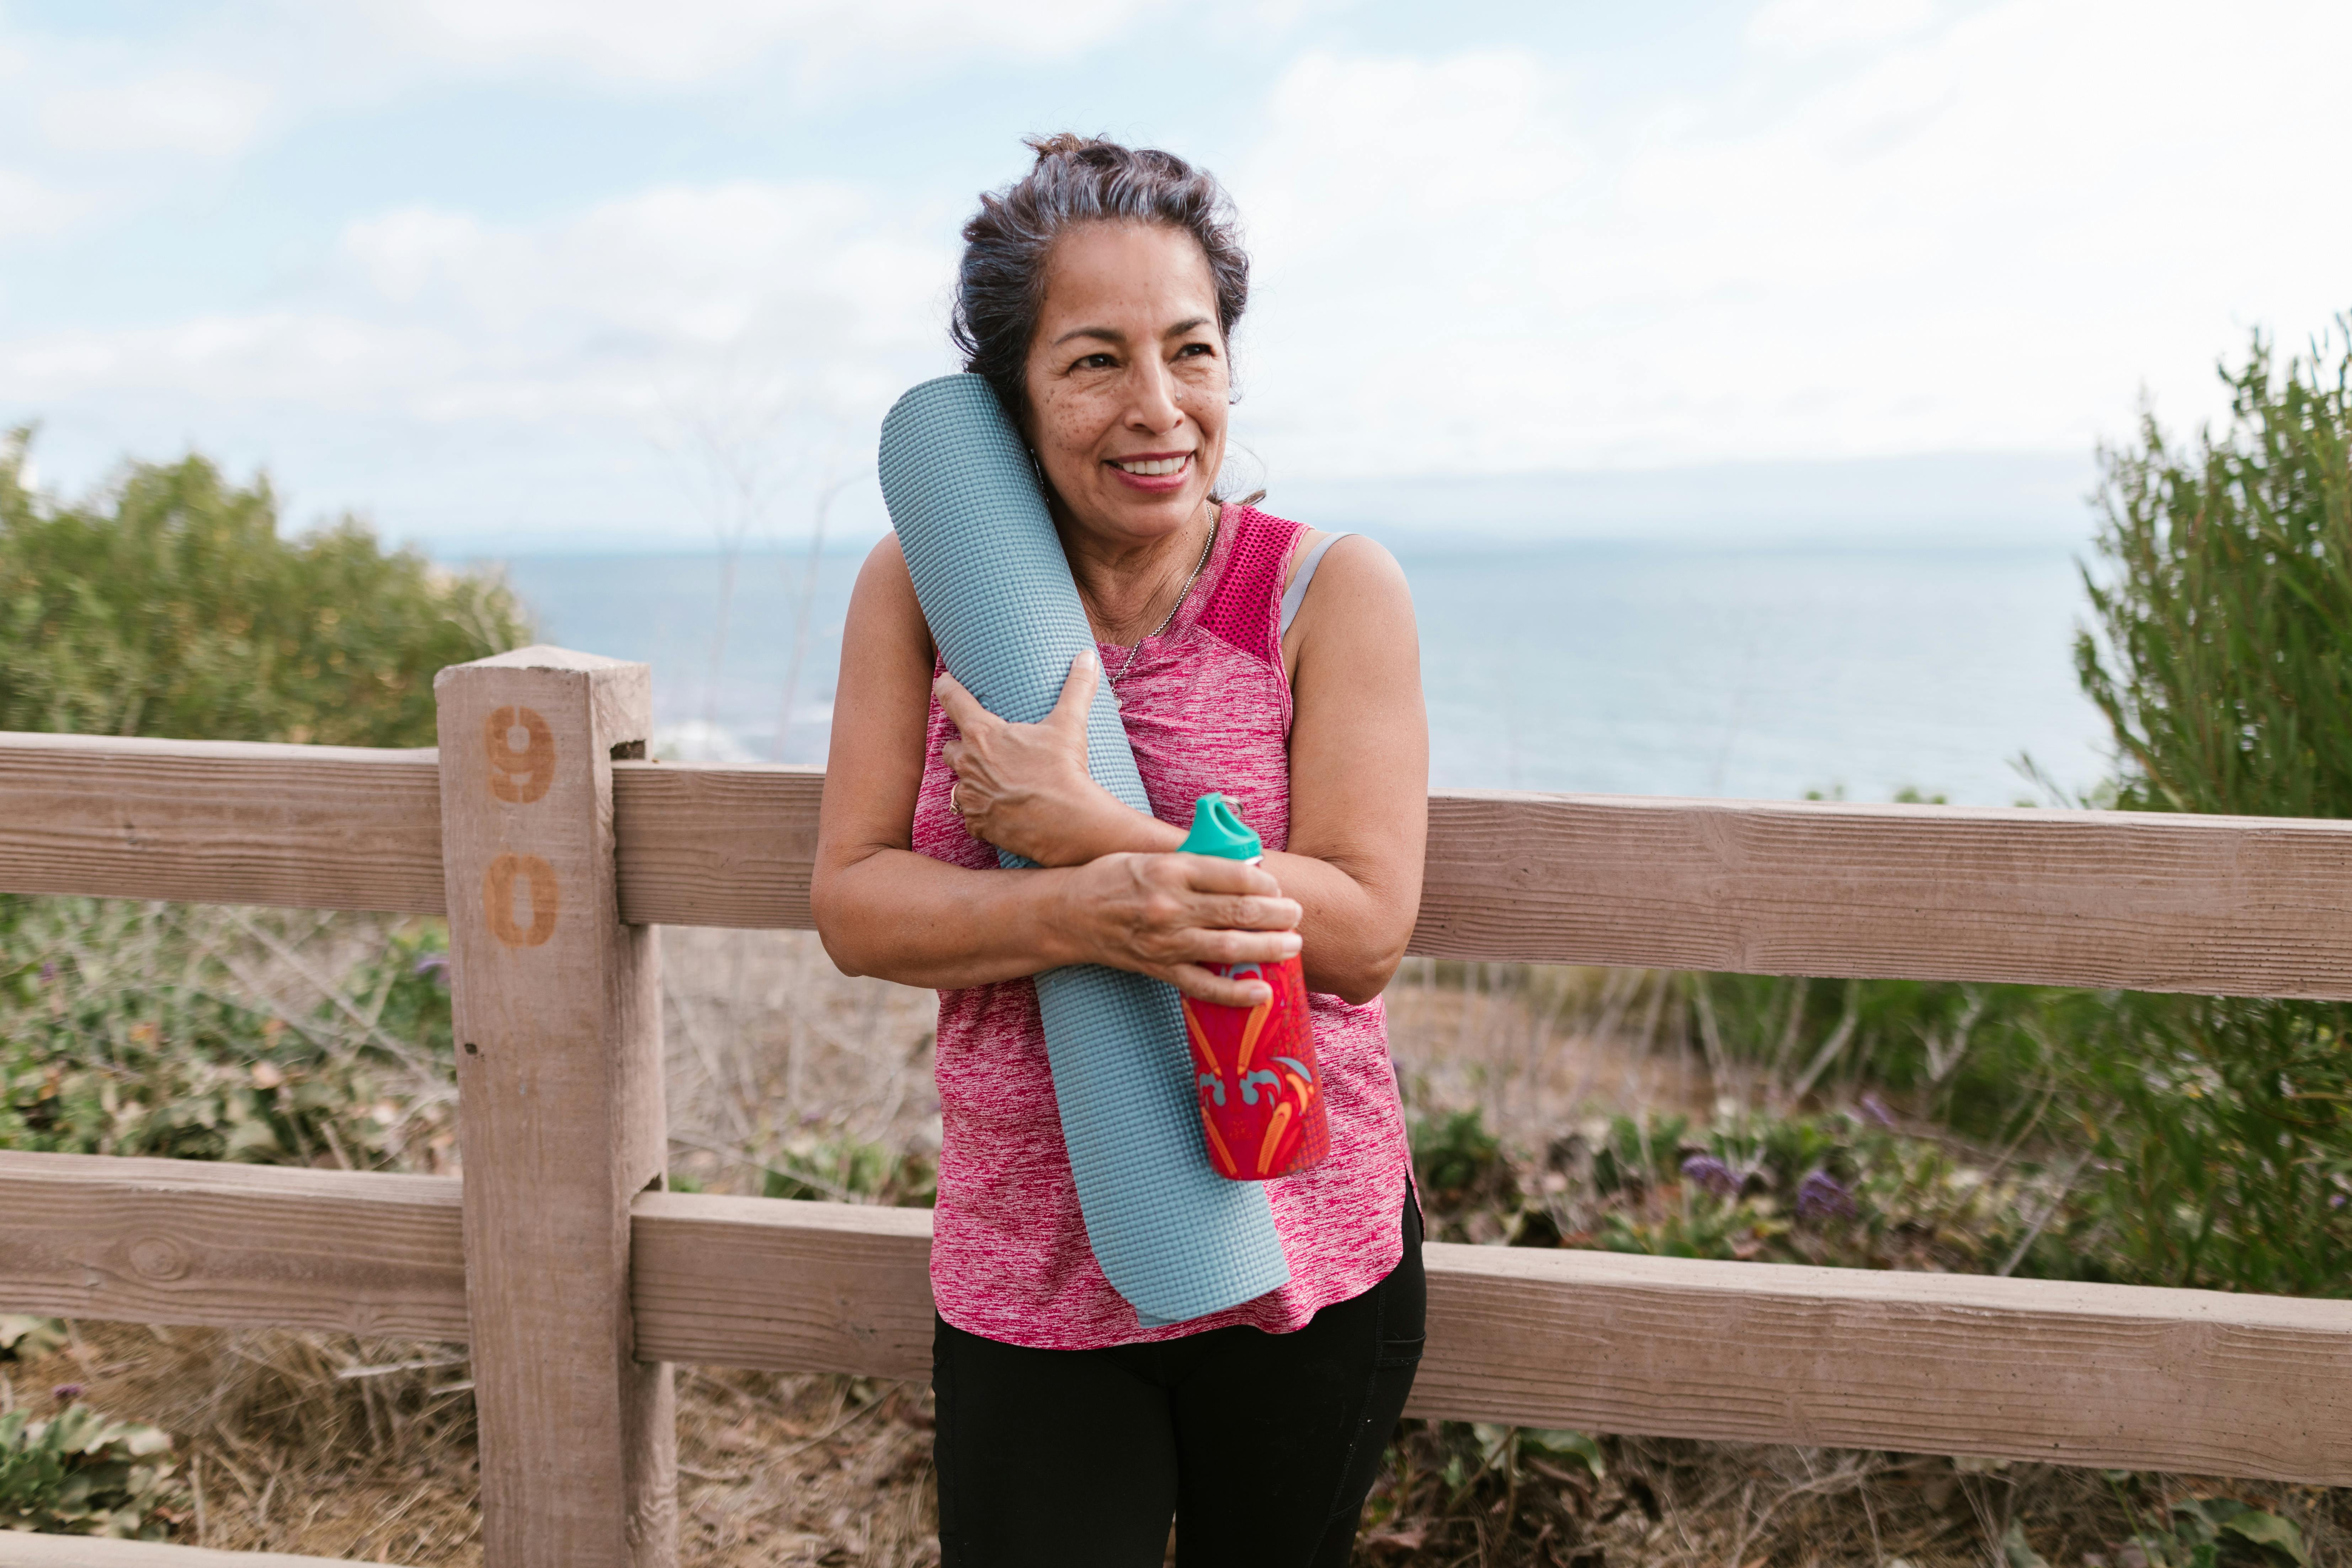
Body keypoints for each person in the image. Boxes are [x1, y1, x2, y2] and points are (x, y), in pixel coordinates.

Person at [812, 133, 1430, 1568]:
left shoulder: (1326, 591)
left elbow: (1359, 929)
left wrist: (1092, 832)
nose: (1157, 408)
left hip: (1302, 1250)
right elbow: (854, 901)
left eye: (1191, 351)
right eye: (1094, 361)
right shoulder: (925, 586)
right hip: (1030, 1264)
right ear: (1014, 394)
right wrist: (1094, 910)